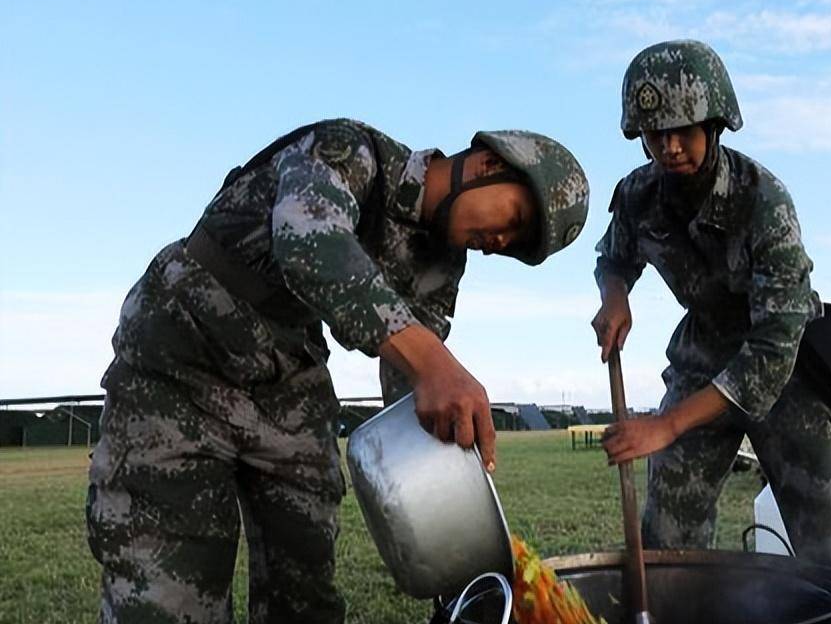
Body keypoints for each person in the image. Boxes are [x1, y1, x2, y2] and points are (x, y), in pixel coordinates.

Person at [86, 119, 589, 623]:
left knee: (307, 594)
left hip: (286, 381)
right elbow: (311, 246)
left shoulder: (439, 264)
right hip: (181, 360)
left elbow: (411, 379)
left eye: (516, 246)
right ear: (489, 164)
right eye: (516, 218)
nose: (501, 240)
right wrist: (437, 365)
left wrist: (455, 486)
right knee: (170, 599)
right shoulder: (352, 153)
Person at [591, 40, 831, 623]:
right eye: (654, 134)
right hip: (703, 355)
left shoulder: (764, 201)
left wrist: (666, 424)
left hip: (789, 366)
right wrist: (615, 297)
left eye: (684, 130)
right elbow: (614, 256)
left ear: (716, 124)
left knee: (830, 533)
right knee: (667, 538)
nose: (669, 146)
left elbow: (773, 348)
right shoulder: (637, 194)